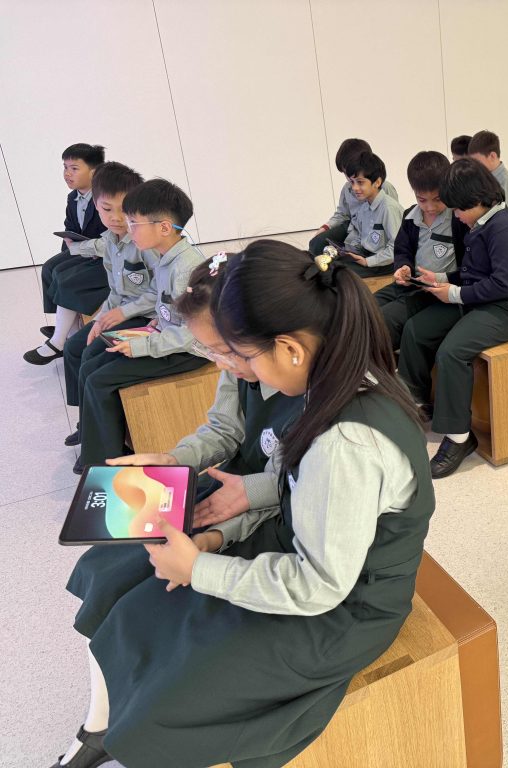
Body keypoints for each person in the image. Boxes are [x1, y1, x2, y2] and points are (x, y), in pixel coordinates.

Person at [53, 240, 434, 768]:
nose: (230, 366)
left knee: (170, 692)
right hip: (307, 557)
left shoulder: (342, 441)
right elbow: (287, 487)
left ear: (290, 349)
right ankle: (104, 724)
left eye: (239, 355)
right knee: (134, 610)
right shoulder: (332, 382)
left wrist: (200, 568)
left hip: (346, 611)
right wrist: (215, 538)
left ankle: (123, 729)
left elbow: (319, 582)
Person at [107, 254, 306, 523]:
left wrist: (215, 538)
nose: (221, 364)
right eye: (212, 352)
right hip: (236, 483)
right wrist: (175, 460)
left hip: (274, 509)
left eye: (224, 351)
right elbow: (224, 430)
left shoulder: (313, 402)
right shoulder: (239, 365)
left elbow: (290, 487)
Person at [397, 159, 508, 478]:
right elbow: (473, 272)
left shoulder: (503, 227)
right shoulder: (483, 222)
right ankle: (419, 400)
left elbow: (504, 284)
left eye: (458, 209)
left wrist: (454, 294)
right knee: (418, 330)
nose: (455, 215)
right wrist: (441, 278)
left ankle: (460, 437)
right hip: (482, 297)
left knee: (452, 352)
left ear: (476, 200)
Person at [72, 178, 208, 472]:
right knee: (93, 361)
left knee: (100, 379)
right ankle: (99, 438)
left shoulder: (186, 267)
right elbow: (168, 305)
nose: (128, 229)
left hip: (189, 351)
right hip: (165, 336)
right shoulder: (166, 256)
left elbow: (192, 333)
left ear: (164, 227)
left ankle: (102, 464)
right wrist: (154, 324)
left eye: (134, 223)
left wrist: (142, 345)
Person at [376, 151, 469, 348]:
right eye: (422, 200)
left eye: (437, 199)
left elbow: (469, 268)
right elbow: (402, 250)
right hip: (411, 284)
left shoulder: (459, 219)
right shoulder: (410, 216)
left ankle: (383, 362)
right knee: (366, 306)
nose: (430, 207)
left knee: (385, 320)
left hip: (436, 292)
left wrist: (443, 279)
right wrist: (403, 267)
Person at [25, 144, 108, 364]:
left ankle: (59, 341)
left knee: (67, 278)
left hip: (102, 256)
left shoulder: (106, 200)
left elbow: (110, 241)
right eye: (65, 167)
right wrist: (67, 256)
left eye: (74, 168)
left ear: (94, 172)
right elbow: (70, 229)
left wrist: (75, 256)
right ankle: (68, 330)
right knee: (51, 268)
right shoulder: (73, 198)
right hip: (83, 251)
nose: (67, 174)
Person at [308, 138, 400, 256]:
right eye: (346, 174)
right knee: (316, 244)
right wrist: (325, 227)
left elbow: (393, 220)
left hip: (375, 232)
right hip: (353, 227)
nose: (350, 179)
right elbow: (342, 214)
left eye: (359, 180)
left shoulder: (385, 187)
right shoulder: (347, 188)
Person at [337, 152, 404, 277]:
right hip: (368, 256)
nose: (355, 188)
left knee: (340, 273)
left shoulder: (389, 208)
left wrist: (368, 262)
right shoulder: (364, 207)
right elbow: (361, 236)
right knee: (334, 263)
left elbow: (397, 248)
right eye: (352, 182)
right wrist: (349, 251)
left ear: (377, 182)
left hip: (387, 263)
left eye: (360, 182)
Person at [467, 130, 508, 212]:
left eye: (478, 162)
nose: (475, 166)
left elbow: (506, 214)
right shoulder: (484, 176)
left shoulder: (506, 181)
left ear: (492, 156)